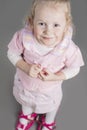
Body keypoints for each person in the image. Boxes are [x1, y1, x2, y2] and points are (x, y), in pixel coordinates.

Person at [7, 0, 84, 130]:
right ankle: (27, 115)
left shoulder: (68, 48)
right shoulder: (23, 37)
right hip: (26, 82)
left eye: (56, 25)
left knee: (50, 107)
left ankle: (49, 121)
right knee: (25, 100)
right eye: (42, 23)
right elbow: (12, 53)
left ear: (66, 25)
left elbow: (74, 68)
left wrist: (56, 76)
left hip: (49, 89)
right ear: (32, 21)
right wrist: (25, 67)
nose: (48, 31)